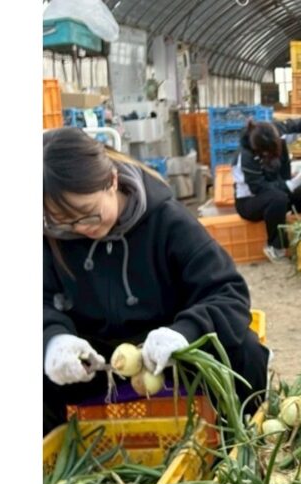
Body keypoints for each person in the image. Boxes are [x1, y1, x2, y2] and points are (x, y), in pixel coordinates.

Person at [43, 127, 269, 435]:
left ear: (112, 181)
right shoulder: (50, 236)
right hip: (96, 364)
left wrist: (184, 333)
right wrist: (54, 339)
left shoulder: (168, 221)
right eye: (63, 222)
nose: (80, 228)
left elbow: (228, 293)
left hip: (168, 356)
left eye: (88, 213)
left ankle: (236, 443)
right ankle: (56, 457)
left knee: (245, 350)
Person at [232, 118, 301, 261]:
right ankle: (275, 247)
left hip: (278, 191)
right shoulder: (246, 156)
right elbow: (258, 187)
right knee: (278, 198)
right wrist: (290, 185)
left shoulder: (277, 129)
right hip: (250, 202)